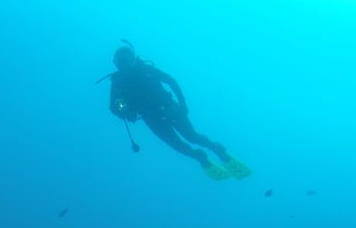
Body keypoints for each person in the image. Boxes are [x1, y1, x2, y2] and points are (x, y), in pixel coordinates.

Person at [104, 44, 250, 181]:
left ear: (133, 58)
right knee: (177, 145)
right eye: (119, 62)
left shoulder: (146, 70)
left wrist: (182, 103)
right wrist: (124, 111)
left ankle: (219, 151)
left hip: (169, 109)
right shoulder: (118, 82)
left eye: (125, 60)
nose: (123, 65)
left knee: (192, 137)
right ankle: (201, 158)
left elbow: (171, 81)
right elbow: (113, 107)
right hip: (152, 118)